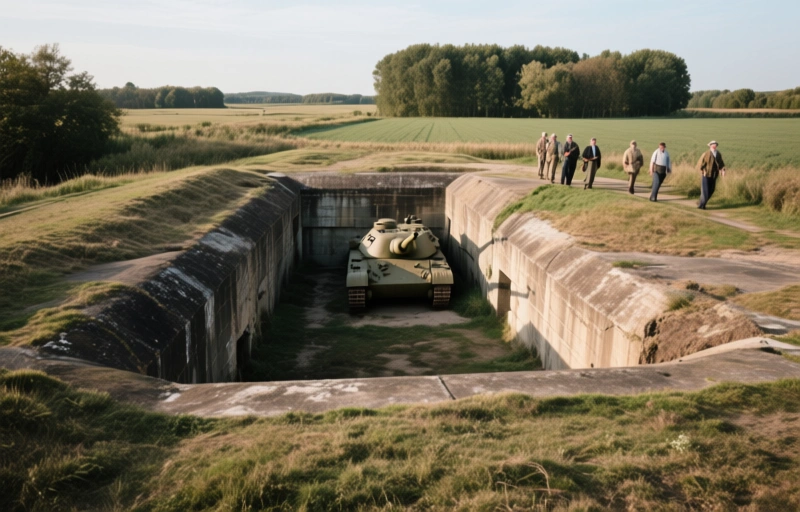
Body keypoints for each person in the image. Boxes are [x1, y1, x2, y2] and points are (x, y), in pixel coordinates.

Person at [696, 140, 726, 209]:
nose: (714, 145)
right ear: (710, 146)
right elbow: (700, 163)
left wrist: (723, 170)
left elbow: (721, 163)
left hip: (714, 175)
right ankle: (701, 205)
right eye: (712, 144)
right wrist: (702, 170)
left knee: (711, 190)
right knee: (705, 191)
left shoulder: (718, 154)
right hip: (706, 174)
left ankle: (701, 203)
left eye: (715, 144)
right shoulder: (706, 153)